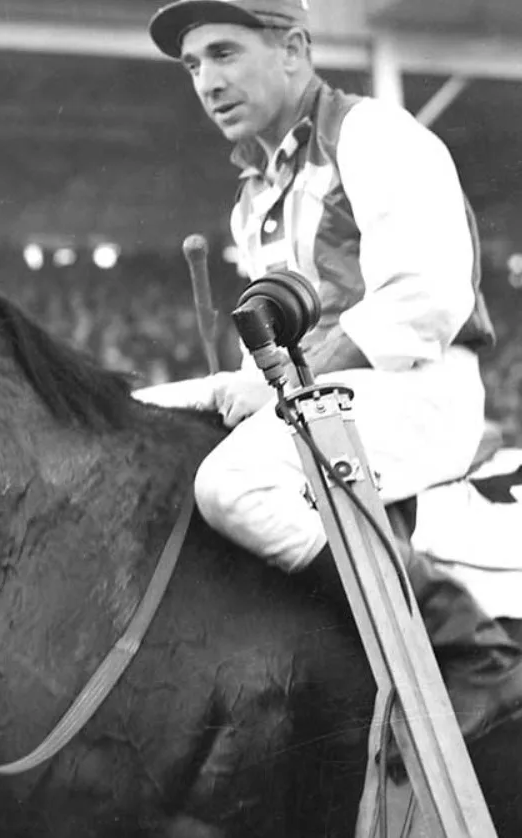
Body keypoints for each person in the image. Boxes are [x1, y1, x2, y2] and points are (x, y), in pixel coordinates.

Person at [141, 0, 522, 738]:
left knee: (231, 484)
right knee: (137, 408)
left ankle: (463, 646)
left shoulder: (375, 135)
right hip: (330, 391)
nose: (204, 81)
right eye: (192, 65)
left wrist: (284, 381)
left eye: (222, 54)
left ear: (291, 48)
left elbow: (424, 301)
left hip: (419, 388)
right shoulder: (250, 197)